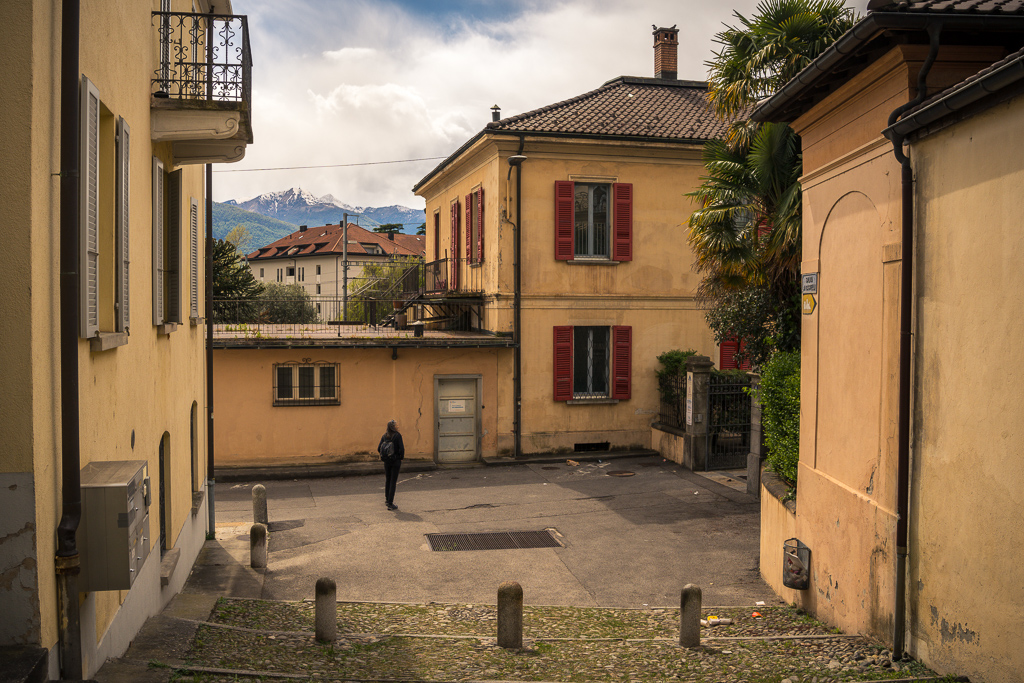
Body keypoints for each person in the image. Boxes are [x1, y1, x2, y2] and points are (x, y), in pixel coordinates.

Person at [378, 419, 405, 510]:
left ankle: (387, 500)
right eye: (396, 425)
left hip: (387, 461)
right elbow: (402, 449)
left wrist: (386, 456)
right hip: (395, 461)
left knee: (388, 480)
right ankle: (390, 503)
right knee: (393, 482)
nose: (398, 426)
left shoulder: (384, 436)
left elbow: (379, 448)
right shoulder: (397, 435)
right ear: (394, 427)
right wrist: (401, 457)